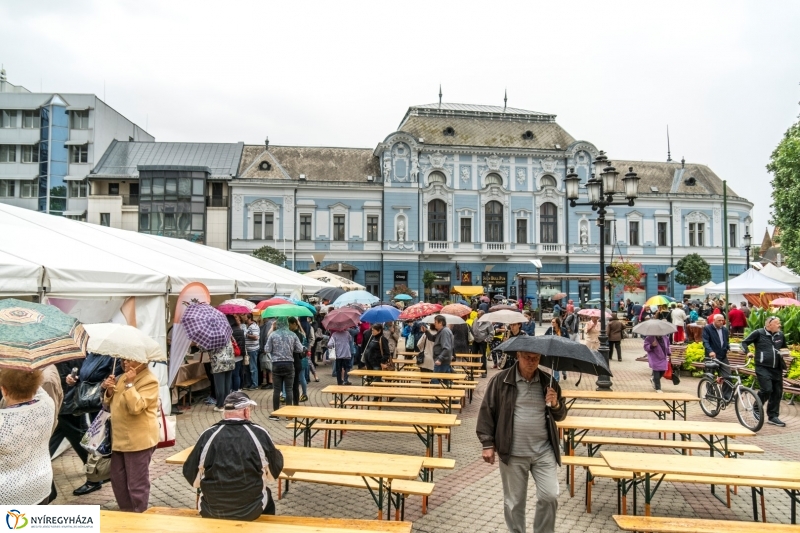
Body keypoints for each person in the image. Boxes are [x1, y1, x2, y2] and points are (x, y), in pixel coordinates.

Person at [476, 351, 566, 533]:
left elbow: (561, 415)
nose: (531, 362)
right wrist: (487, 443)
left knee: (549, 496)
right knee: (514, 502)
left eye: (536, 358)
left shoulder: (547, 381)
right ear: (518, 356)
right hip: (512, 452)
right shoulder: (501, 380)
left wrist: (555, 404)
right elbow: (487, 411)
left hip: (543, 451)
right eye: (527, 357)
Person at [183, 392, 284, 520]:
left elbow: (192, 478)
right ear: (246, 412)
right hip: (251, 511)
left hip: (212, 510)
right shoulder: (259, 434)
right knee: (267, 497)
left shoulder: (208, 435)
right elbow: (273, 475)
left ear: (225, 412)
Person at [53, 354, 123, 496]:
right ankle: (97, 474)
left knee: (95, 439)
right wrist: (73, 379)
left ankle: (97, 475)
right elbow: (82, 374)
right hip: (89, 401)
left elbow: (118, 377)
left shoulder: (114, 356)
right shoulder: (92, 354)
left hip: (102, 403)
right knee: (88, 438)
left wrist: (106, 383)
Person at [101, 358, 159, 513]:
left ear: (141, 362)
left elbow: (136, 407)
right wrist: (109, 390)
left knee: (136, 483)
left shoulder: (150, 381)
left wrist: (129, 384)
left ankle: (139, 513)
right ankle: (127, 511)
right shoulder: (122, 376)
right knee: (118, 479)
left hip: (138, 439)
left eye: (129, 360)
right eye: (123, 360)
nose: (125, 363)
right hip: (119, 437)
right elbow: (109, 402)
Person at [0, 368, 56, 505]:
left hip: (7, 494)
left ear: (4, 390)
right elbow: (37, 388)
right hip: (41, 483)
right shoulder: (48, 404)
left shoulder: (3, 421)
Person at [741, 316, 787, 427]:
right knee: (767, 389)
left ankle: (773, 416)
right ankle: (757, 407)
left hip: (777, 368)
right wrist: (748, 352)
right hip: (762, 367)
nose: (779, 325)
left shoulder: (780, 335)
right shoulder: (758, 333)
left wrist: (785, 353)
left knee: (777, 392)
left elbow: (784, 348)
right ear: (769, 325)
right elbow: (744, 343)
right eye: (777, 323)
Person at [264, 318, 303, 421]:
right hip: (289, 364)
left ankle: (276, 414)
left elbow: (266, 349)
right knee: (289, 389)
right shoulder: (292, 335)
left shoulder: (273, 335)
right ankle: (289, 415)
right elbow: (300, 349)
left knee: (277, 390)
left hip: (276, 364)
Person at [702, 314, 732, 396]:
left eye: (722, 320)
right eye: (719, 320)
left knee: (728, 376)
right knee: (710, 376)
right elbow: (705, 341)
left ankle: (726, 395)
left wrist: (728, 347)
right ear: (714, 320)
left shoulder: (725, 330)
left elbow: (726, 341)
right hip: (712, 356)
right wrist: (710, 351)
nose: (721, 322)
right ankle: (710, 394)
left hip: (722, 356)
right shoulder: (707, 328)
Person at [426, 315, 454, 383]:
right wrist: (426, 331)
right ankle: (452, 391)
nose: (434, 324)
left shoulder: (444, 332)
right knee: (446, 381)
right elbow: (433, 338)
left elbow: (447, 348)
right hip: (443, 360)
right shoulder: (442, 331)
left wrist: (440, 359)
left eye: (435, 322)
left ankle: (435, 393)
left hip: (442, 361)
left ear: (440, 323)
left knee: (435, 380)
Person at [287, 317, 308, 404]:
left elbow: (299, 349)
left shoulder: (295, 335)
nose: (288, 326)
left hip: (295, 361)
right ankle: (296, 402)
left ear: (294, 324)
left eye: (290, 324)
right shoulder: (300, 334)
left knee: (294, 384)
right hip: (298, 360)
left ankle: (295, 402)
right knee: (296, 383)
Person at [228, 314, 247, 392]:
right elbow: (243, 343)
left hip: (231, 355)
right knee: (237, 374)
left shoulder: (229, 331)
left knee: (231, 375)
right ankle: (237, 390)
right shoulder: (240, 330)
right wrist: (243, 354)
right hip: (239, 355)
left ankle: (232, 390)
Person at [472, 310, 494, 374]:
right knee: (474, 356)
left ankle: (484, 371)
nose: (477, 315)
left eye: (478, 314)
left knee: (483, 357)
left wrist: (486, 340)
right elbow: (472, 328)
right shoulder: (475, 320)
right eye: (477, 314)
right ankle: (475, 370)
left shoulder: (488, 322)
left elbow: (491, 333)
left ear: (483, 315)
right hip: (475, 340)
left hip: (483, 341)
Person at [244, 314, 260, 390]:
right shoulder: (247, 326)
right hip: (248, 350)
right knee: (247, 368)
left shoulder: (253, 326)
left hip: (253, 350)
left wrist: (246, 335)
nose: (243, 317)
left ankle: (255, 384)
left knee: (253, 368)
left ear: (249, 318)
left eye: (244, 316)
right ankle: (249, 383)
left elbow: (256, 337)